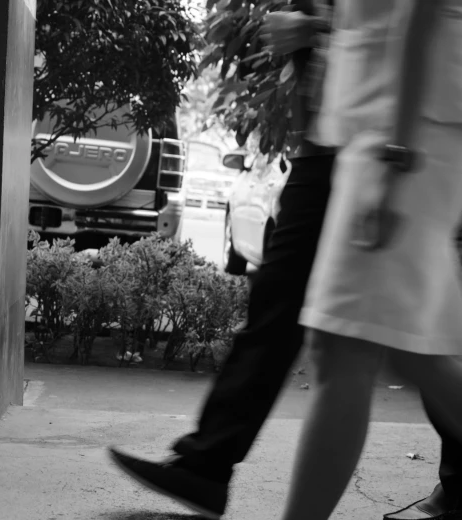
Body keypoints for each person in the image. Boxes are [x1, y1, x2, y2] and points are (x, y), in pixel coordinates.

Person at [108, 2, 462, 519]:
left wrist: (395, 155)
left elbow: (420, 12)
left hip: (403, 136)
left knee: (364, 353)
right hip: (374, 132)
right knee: (352, 353)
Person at [278, 0, 462, 518]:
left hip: (406, 128)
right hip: (389, 121)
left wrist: (396, 157)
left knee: (343, 349)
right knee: (397, 350)